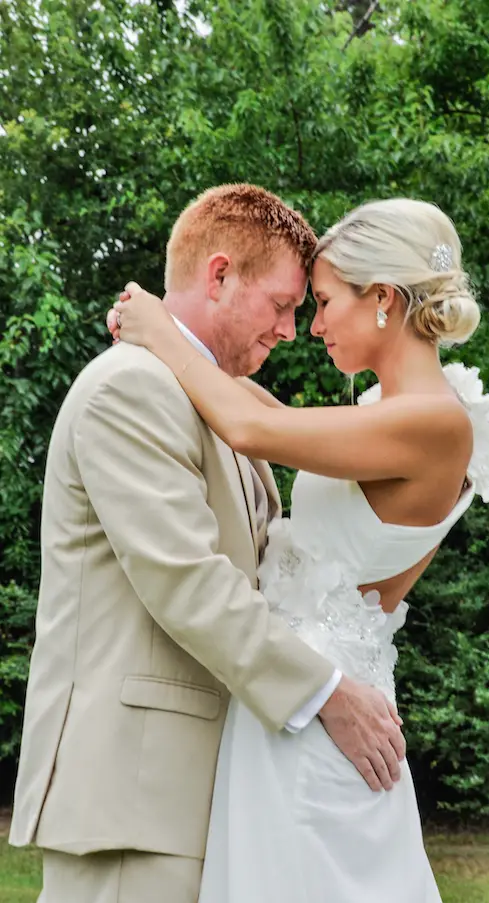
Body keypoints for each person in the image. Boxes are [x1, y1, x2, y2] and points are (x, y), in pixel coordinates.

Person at [9, 184, 406, 903]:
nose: (291, 330)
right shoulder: (130, 389)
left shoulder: (213, 402)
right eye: (284, 304)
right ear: (219, 274)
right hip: (136, 797)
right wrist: (328, 693)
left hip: (205, 792)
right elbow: (187, 581)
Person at [107, 197, 489, 903]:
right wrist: (188, 343)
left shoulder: (435, 422)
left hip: (321, 710)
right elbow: (271, 414)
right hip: (294, 697)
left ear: (382, 298)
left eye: (322, 302)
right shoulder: (394, 411)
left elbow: (251, 429)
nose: (312, 326)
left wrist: (160, 330)